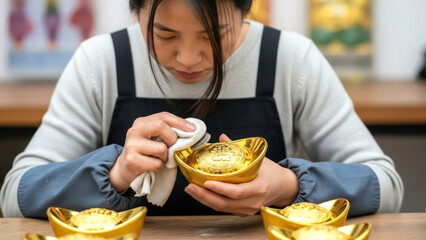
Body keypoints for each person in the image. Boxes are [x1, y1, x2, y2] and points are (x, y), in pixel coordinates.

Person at [0, 0, 403, 218]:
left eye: (215, 35)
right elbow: (15, 195)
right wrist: (118, 172)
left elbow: (385, 186)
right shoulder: (101, 62)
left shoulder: (290, 59)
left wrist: (288, 187)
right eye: (165, 34)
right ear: (136, 12)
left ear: (248, 11)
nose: (189, 58)